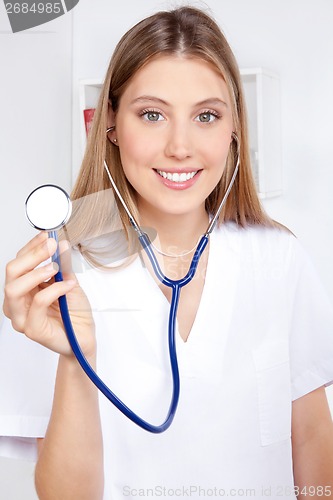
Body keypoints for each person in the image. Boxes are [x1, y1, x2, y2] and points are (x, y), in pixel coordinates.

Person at [1, 6, 333, 500]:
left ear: (234, 127)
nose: (181, 146)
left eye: (206, 115)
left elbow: (311, 443)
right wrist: (77, 359)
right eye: (152, 114)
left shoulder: (279, 260)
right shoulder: (54, 272)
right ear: (110, 122)